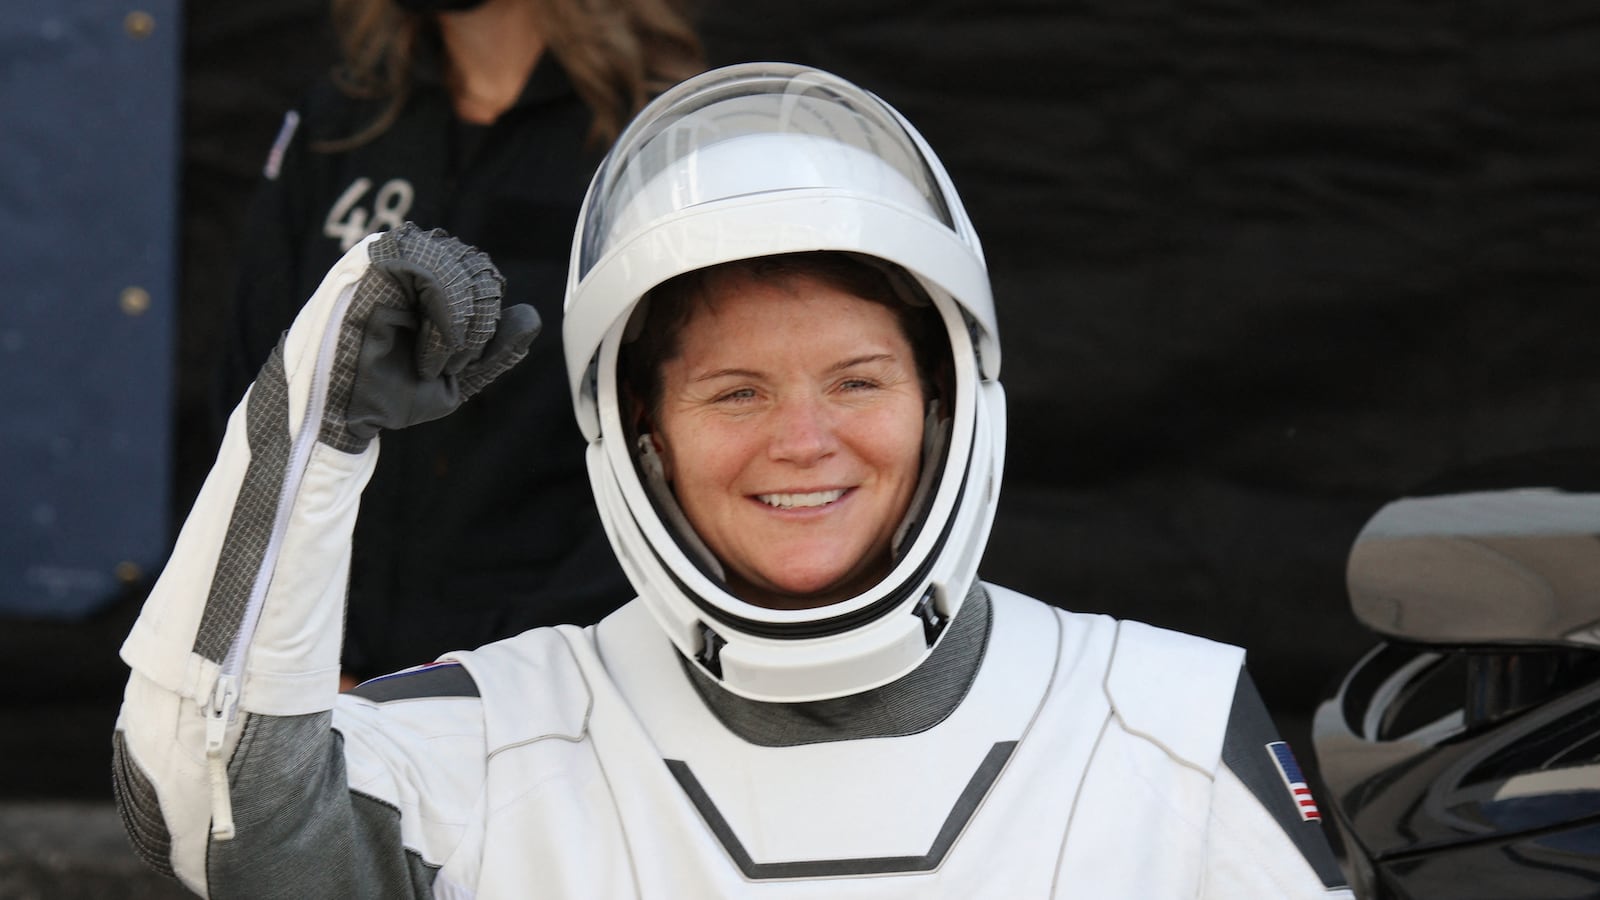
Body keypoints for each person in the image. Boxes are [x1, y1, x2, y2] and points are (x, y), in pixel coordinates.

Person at [115, 63, 1354, 897]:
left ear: (945, 401)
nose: (802, 440)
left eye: (857, 381)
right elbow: (201, 821)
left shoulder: (1162, 721)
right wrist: (308, 439)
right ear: (641, 431)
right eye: (734, 392)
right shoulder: (501, 734)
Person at [218, 0, 704, 686]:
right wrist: (297, 652)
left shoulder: (656, 136)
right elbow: (256, 394)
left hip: (556, 681)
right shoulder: (342, 121)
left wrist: (507, 676)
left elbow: (685, 436)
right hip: (326, 678)